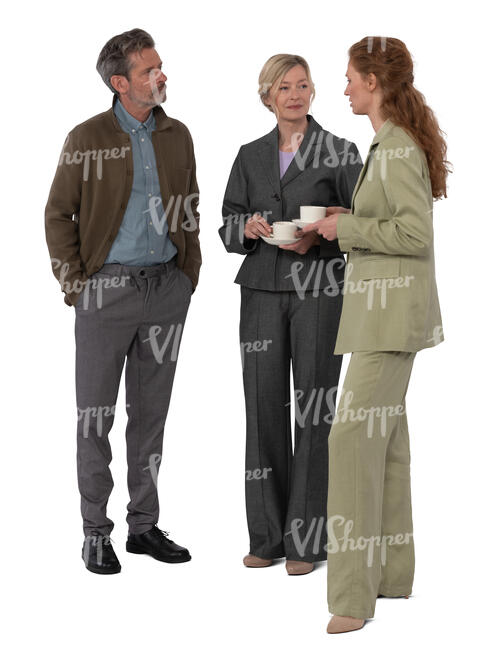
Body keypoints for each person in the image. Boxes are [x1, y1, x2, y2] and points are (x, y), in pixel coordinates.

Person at [302, 36, 449, 632]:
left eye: (349, 78)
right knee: (385, 445)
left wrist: (346, 227)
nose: (343, 88)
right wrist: (347, 225)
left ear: (374, 80)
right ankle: (391, 575)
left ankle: (352, 597)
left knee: (351, 444)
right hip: (380, 315)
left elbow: (415, 235)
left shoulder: (396, 150)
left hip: (389, 321)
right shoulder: (388, 144)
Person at [44, 28, 201, 574]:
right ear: (120, 82)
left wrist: (188, 274)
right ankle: (94, 532)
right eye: (148, 71)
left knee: (151, 416)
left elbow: (191, 208)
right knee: (96, 417)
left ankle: (143, 526)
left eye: (160, 66)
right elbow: (57, 214)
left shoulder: (176, 134)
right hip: (105, 293)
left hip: (165, 289)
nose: (161, 76)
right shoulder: (86, 137)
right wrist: (77, 287)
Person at [219, 54, 362, 575]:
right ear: (268, 96)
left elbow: (363, 216)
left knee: (314, 412)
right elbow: (227, 225)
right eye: (285, 87)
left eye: (303, 85)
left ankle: (306, 542)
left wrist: (326, 223)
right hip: (260, 290)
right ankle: (267, 537)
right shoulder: (249, 155)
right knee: (262, 409)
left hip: (320, 290)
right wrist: (249, 228)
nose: (296, 95)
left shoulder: (340, 151)